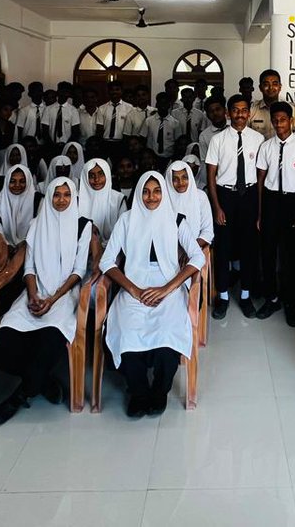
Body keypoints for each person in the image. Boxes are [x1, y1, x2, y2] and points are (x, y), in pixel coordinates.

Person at [0, 177, 93, 423]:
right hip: (34, 293)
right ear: (48, 197)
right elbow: (29, 266)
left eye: (67, 195)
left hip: (65, 296)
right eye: (56, 195)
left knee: (48, 341)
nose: (61, 200)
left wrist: (53, 298)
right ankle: (43, 381)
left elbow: (79, 271)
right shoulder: (37, 223)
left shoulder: (82, 225)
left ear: (73, 198)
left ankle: (20, 395)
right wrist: (34, 294)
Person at [101, 172, 205, 417]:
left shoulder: (176, 219)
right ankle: (138, 392)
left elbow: (197, 256)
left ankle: (159, 391)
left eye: (156, 191)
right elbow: (107, 261)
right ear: (138, 193)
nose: (151, 197)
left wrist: (167, 288)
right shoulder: (126, 220)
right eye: (145, 191)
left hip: (168, 286)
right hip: (133, 287)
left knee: (168, 331)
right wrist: (134, 290)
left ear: (164, 192)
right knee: (126, 330)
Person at [204, 94, 264, 320]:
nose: (240, 114)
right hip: (225, 196)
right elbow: (211, 176)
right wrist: (217, 207)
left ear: (249, 113)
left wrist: (259, 210)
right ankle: (223, 296)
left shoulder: (258, 139)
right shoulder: (217, 140)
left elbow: (260, 176)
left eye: (244, 110)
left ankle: (246, 295)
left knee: (249, 247)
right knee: (223, 247)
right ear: (228, 114)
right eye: (235, 110)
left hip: (248, 195)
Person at [255, 102, 295, 325]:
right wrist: (261, 214)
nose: (279, 123)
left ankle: (291, 303)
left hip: (294, 203)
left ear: (291, 120)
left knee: (293, 257)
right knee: (268, 254)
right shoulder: (266, 147)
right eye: (275, 120)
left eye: (283, 119)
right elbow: (260, 181)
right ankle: (271, 299)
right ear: (272, 121)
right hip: (271, 202)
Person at [0, 164, 41, 247]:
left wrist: (23, 248)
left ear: (28, 181)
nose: (17, 185)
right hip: (4, 248)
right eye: (12, 181)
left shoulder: (39, 201)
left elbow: (40, 230)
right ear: (6, 182)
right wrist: (8, 247)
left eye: (22, 181)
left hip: (33, 247)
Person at [166, 160, 214, 249]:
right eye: (175, 179)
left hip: (198, 248)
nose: (181, 182)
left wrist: (191, 249)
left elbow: (208, 232)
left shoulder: (200, 196)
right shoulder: (164, 200)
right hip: (170, 251)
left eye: (184, 177)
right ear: (169, 180)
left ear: (190, 177)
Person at [79, 157, 127, 242]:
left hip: (112, 249)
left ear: (107, 175)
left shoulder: (118, 199)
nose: (96, 179)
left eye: (101, 174)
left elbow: (123, 231)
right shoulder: (76, 199)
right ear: (85, 178)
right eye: (91, 176)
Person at [248, 69, 295, 139]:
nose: (271, 88)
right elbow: (245, 134)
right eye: (266, 84)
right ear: (260, 88)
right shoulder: (251, 109)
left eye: (274, 84)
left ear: (280, 87)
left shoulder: (292, 108)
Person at [143, 92, 180, 163]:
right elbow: (143, 139)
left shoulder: (175, 123)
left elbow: (177, 142)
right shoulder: (149, 121)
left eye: (165, 103)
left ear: (169, 105)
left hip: (169, 157)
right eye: (160, 103)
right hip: (152, 158)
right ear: (157, 104)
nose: (163, 106)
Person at [41, 83, 81, 149]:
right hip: (51, 146)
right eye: (62, 91)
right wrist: (51, 145)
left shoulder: (73, 110)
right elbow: (45, 130)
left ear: (69, 94)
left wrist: (67, 146)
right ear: (58, 92)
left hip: (67, 146)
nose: (64, 94)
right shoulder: (48, 109)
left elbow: (75, 131)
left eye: (66, 92)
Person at [93, 82, 133, 147]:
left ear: (121, 91)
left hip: (122, 143)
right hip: (105, 142)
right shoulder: (102, 108)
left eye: (117, 89)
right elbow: (99, 128)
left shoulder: (129, 108)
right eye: (112, 90)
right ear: (108, 91)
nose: (114, 92)